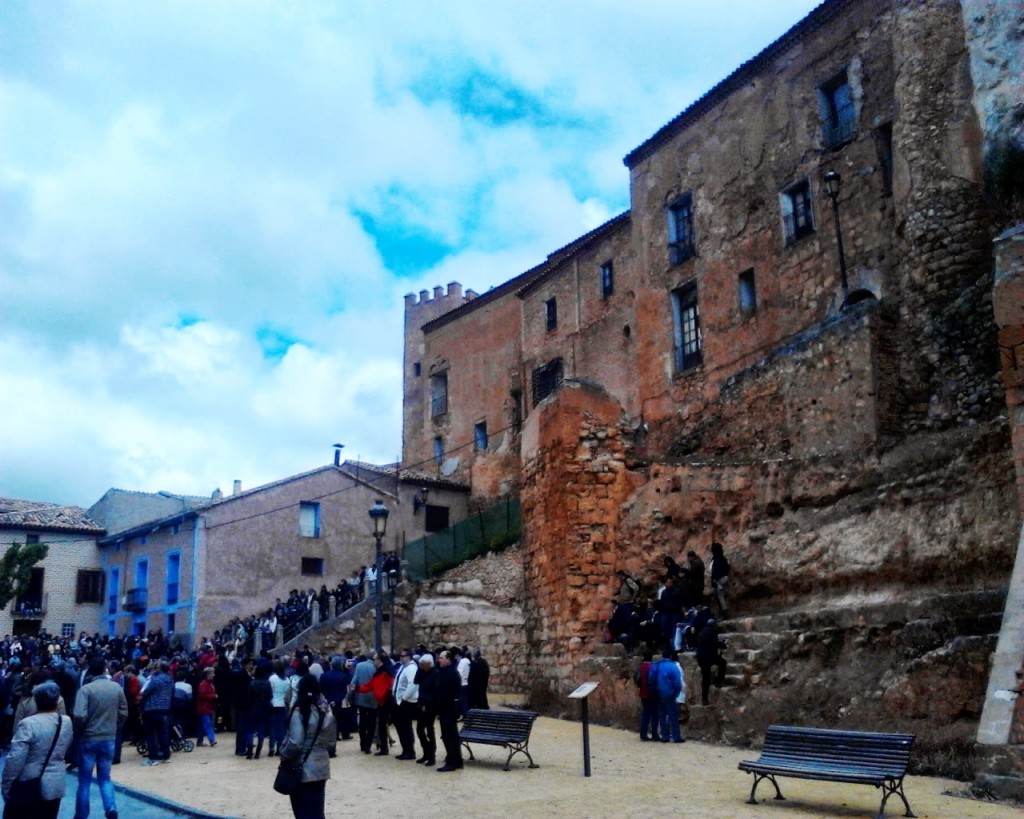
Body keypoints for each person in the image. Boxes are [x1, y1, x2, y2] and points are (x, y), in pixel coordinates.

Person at [1, 681, 73, 819]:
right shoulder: (66, 721)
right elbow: (66, 745)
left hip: (29, 784)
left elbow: (15, 759)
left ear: (36, 700)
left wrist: (7, 785)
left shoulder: (28, 724)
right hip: (55, 783)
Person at [73, 656, 128, 819]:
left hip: (89, 737)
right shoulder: (116, 688)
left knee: (84, 781)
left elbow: (79, 715)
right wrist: (115, 725)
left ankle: (81, 815)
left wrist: (80, 730)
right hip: (108, 737)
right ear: (105, 669)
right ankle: (110, 807)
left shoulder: (86, 690)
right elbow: (124, 712)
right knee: (105, 778)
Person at [279, 674, 335, 819]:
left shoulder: (300, 712)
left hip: (301, 768)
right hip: (321, 767)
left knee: (302, 813)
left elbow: (295, 742)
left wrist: (283, 754)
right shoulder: (327, 711)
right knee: (318, 813)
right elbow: (331, 742)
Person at [647, 649, 683, 743]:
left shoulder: (656, 665)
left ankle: (664, 736)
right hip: (670, 694)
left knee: (662, 715)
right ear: (670, 656)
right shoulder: (673, 666)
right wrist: (676, 693)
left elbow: (650, 679)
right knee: (673, 716)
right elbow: (678, 683)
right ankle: (676, 736)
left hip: (659, 693)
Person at [435, 650, 463, 772]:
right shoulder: (446, 672)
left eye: (441, 658)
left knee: (449, 736)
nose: (439, 660)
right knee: (450, 735)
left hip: (448, 708)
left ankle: (452, 761)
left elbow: (447, 691)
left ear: (448, 659)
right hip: (446, 708)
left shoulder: (450, 673)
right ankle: (456, 760)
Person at [390, 649, 418, 760]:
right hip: (398, 700)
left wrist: (404, 698)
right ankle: (405, 749)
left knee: (405, 727)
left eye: (403, 656)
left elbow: (413, 684)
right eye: (400, 656)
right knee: (401, 726)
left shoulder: (411, 668)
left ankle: (409, 751)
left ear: (409, 657)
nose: (401, 658)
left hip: (405, 702)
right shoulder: (403, 667)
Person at [696, 618, 727, 706]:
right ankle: (719, 680)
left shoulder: (702, 631)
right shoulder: (712, 631)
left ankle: (704, 699)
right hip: (709, 656)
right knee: (722, 663)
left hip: (701, 657)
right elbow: (715, 643)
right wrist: (723, 644)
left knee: (706, 677)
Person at [350, 654, 377, 755]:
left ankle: (362, 743)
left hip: (361, 696)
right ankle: (368, 745)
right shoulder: (375, 666)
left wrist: (350, 695)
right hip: (373, 697)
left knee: (362, 721)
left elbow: (354, 681)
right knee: (372, 722)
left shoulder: (359, 666)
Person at [414, 653, 437, 766]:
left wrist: (427, 703)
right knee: (419, 729)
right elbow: (416, 681)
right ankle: (426, 752)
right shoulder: (423, 673)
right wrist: (420, 670)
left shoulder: (434, 674)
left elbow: (434, 691)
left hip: (430, 705)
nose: (422, 667)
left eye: (423, 665)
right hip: (421, 702)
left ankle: (431, 755)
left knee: (429, 730)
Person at [635, 651, 659, 742]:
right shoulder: (653, 667)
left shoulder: (640, 667)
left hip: (643, 692)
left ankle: (643, 734)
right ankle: (654, 734)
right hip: (652, 693)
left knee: (645, 713)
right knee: (654, 714)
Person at [195, 667, 218, 748]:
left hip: (208, 707)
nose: (214, 675)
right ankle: (212, 740)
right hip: (203, 708)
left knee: (202, 725)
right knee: (208, 724)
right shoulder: (204, 684)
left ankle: (199, 741)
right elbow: (202, 695)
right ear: (207, 674)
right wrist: (213, 696)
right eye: (212, 673)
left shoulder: (210, 683)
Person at [709, 542, 730, 618]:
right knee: (721, 597)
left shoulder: (716, 559)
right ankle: (723, 612)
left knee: (720, 597)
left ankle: (724, 613)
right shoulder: (723, 558)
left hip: (719, 581)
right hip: (723, 579)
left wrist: (714, 579)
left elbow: (714, 571)